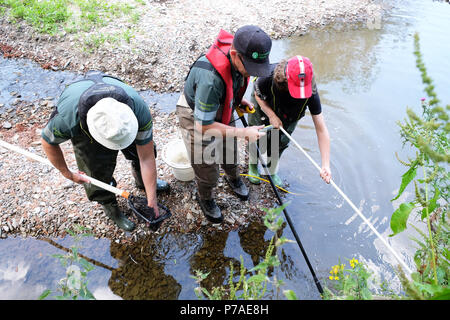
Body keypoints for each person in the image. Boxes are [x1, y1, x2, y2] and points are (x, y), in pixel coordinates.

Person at [41, 70, 169, 232]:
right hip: (82, 117)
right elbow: (47, 143)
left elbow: (146, 158)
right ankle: (110, 206)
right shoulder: (67, 119)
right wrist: (68, 173)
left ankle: (143, 182)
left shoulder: (138, 110)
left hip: (112, 94)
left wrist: (152, 201)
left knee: (141, 151)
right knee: (96, 170)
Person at [176, 25, 272, 223]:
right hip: (195, 116)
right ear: (235, 55)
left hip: (218, 107)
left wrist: (237, 101)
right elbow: (203, 125)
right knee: (207, 165)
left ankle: (233, 177)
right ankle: (206, 198)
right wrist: (243, 132)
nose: (251, 73)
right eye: (251, 69)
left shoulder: (239, 61)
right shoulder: (210, 79)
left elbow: (233, 82)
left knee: (229, 150)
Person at [248, 55, 331, 186]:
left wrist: (325, 164)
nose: (301, 96)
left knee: (281, 141)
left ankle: (271, 170)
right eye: (298, 91)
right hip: (264, 103)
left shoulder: (311, 91)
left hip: (290, 115)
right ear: (285, 80)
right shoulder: (267, 77)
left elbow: (321, 129)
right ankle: (252, 166)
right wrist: (271, 115)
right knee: (256, 135)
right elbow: (258, 95)